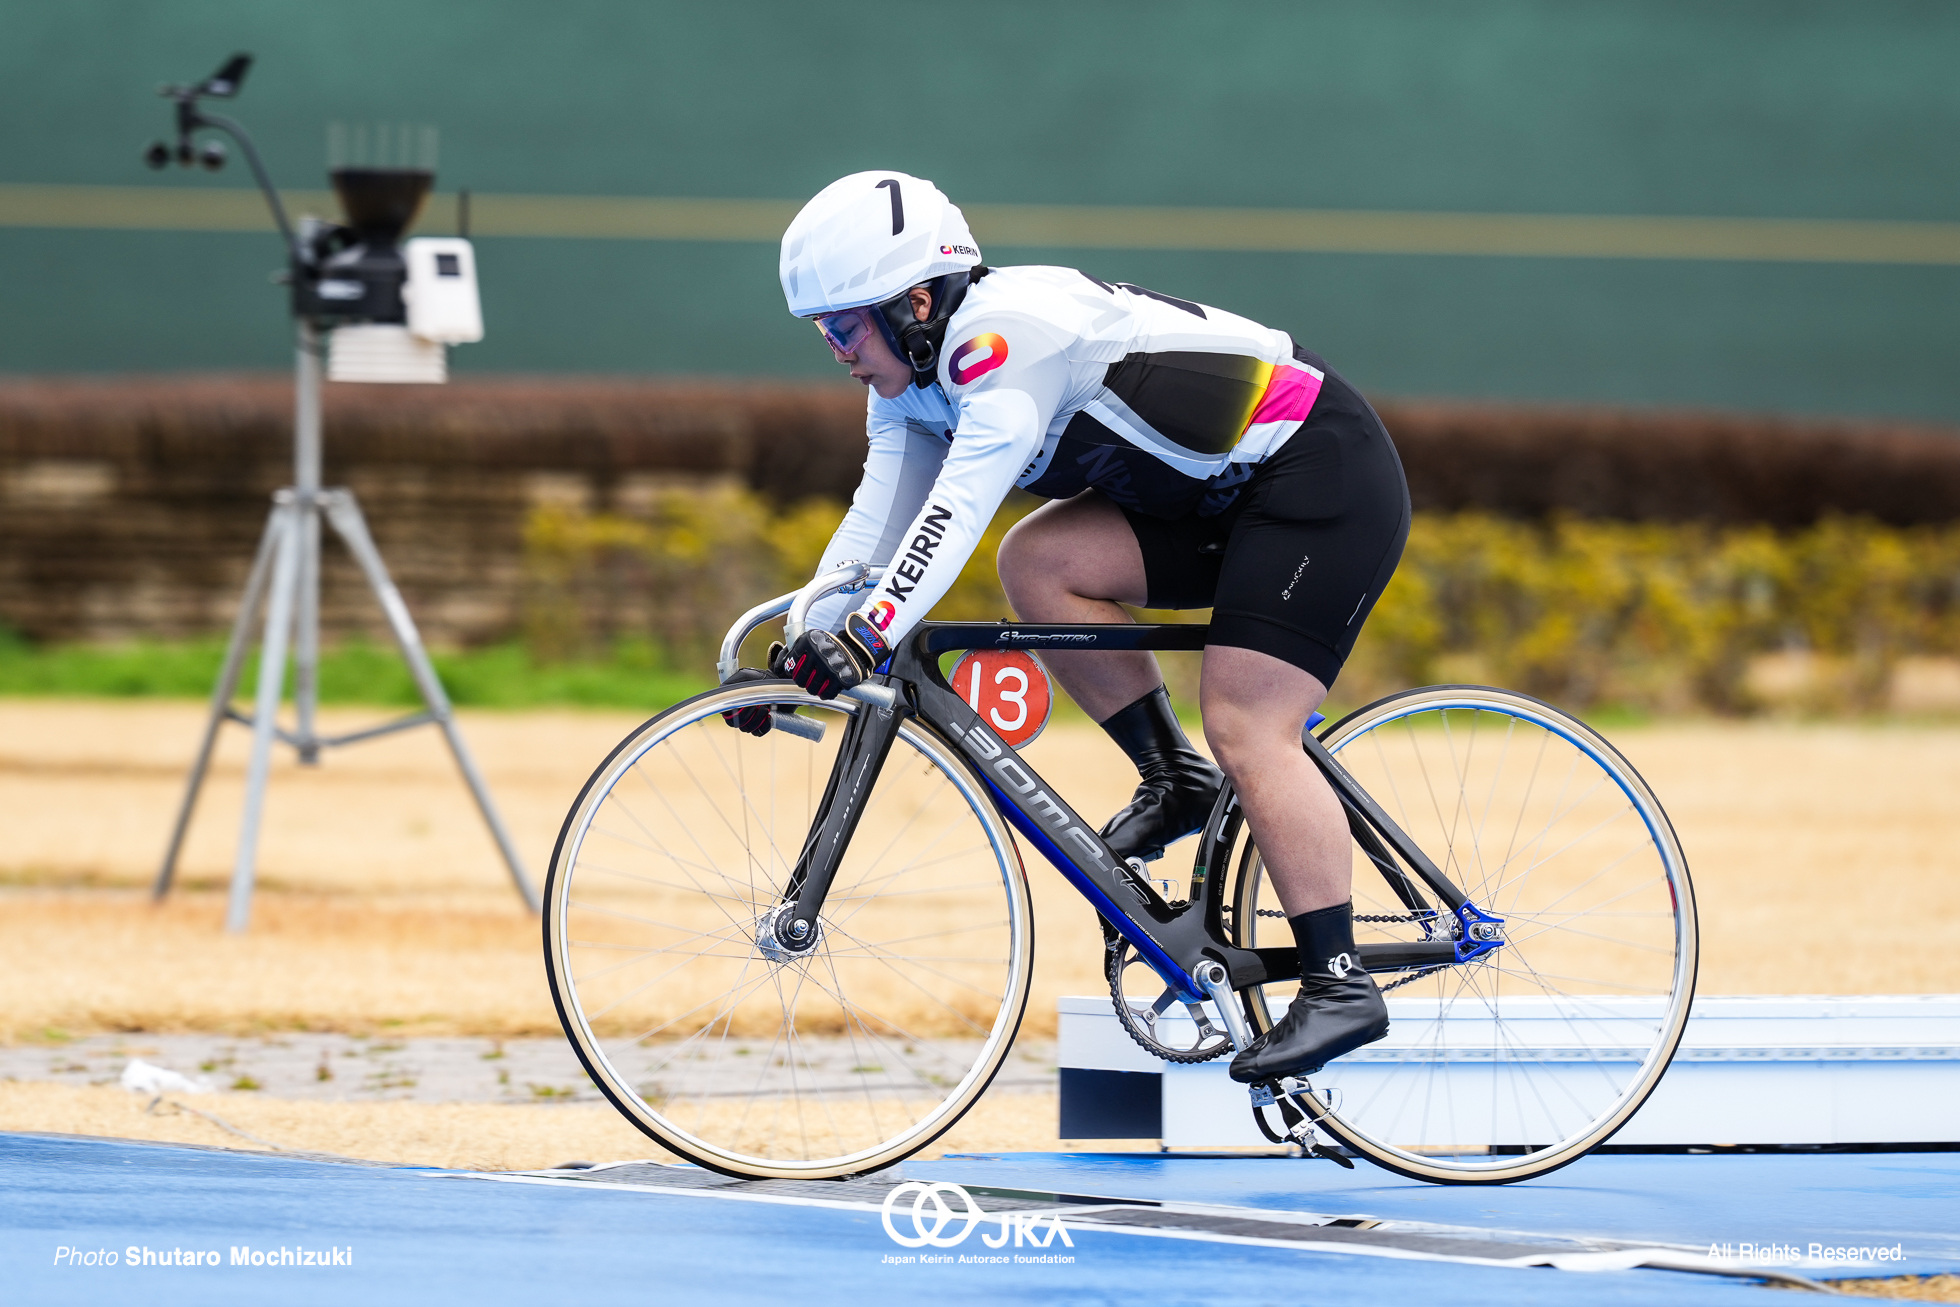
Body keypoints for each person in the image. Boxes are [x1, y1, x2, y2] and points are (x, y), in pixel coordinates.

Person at [741, 171, 1410, 1084]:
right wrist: (800, 643)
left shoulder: (1005, 340)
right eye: (821, 329)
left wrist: (870, 631)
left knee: (1250, 723)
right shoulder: (910, 378)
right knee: (1041, 563)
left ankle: (1338, 982)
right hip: (1218, 503)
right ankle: (1173, 777)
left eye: (843, 325)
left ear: (918, 302)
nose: (832, 348)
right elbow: (877, 529)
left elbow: (954, 511)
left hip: (1316, 478)